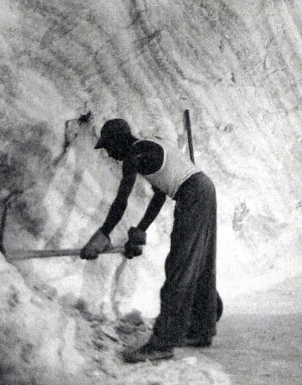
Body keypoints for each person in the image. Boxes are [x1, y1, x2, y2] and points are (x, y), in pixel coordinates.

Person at [80, 117, 220, 363]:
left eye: (109, 147)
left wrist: (103, 233)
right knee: (199, 264)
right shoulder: (149, 146)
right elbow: (160, 195)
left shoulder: (135, 153)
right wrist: (140, 229)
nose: (110, 154)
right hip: (201, 190)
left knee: (180, 268)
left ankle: (162, 344)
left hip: (193, 195)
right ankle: (201, 330)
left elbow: (122, 199)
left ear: (118, 140)